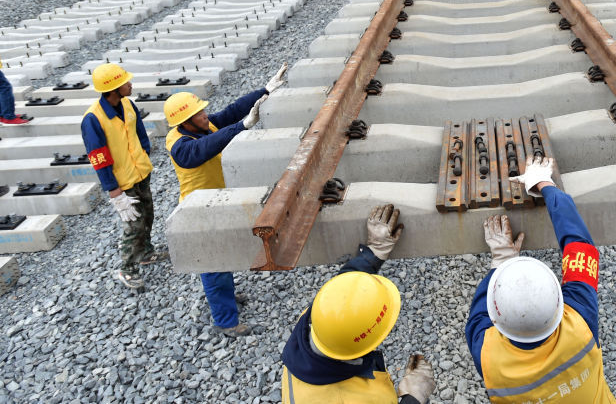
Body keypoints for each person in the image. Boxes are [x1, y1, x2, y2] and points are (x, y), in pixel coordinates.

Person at [466, 156, 616, 403]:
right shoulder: (580, 323)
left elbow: (478, 317)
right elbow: (579, 244)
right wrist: (544, 184)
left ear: (497, 318)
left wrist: (501, 259)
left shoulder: (489, 359)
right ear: (559, 300)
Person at [163, 65, 285, 338]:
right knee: (212, 264)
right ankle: (226, 322)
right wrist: (242, 127)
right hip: (198, 211)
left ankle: (226, 297)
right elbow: (203, 149)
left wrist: (264, 90)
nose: (205, 115)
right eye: (199, 114)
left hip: (215, 201)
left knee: (222, 254)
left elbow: (230, 112)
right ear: (185, 122)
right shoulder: (180, 146)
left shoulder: (202, 126)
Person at [280, 204, 437, 403]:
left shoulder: (315, 324)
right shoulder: (358, 399)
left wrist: (372, 253)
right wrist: (414, 397)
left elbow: (343, 293)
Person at [81, 63, 167, 290]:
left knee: (148, 215)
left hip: (140, 173)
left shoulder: (128, 104)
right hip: (122, 182)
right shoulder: (93, 119)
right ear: (113, 89)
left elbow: (140, 134)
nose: (130, 84)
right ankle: (127, 269)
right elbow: (98, 156)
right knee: (133, 225)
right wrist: (114, 190)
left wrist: (144, 154)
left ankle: (146, 252)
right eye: (125, 82)